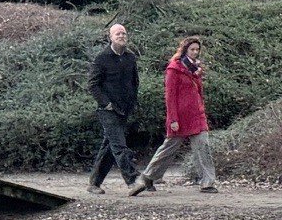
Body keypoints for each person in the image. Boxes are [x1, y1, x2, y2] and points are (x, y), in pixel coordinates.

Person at [136, 35, 220, 194]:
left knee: (203, 146)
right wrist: (173, 119)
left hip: (197, 115)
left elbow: (198, 92)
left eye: (197, 50)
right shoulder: (174, 68)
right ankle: (148, 177)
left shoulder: (196, 69)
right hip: (180, 117)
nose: (195, 52)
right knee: (169, 148)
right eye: (192, 49)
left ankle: (207, 183)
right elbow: (170, 95)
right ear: (185, 50)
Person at [87, 21, 141, 192]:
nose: (121, 36)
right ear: (110, 37)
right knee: (119, 145)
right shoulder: (101, 58)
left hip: (124, 108)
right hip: (108, 110)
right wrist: (106, 103)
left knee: (109, 148)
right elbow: (93, 85)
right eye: (117, 33)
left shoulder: (130, 57)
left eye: (124, 33)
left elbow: (135, 82)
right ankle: (132, 181)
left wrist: (133, 102)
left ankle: (94, 183)